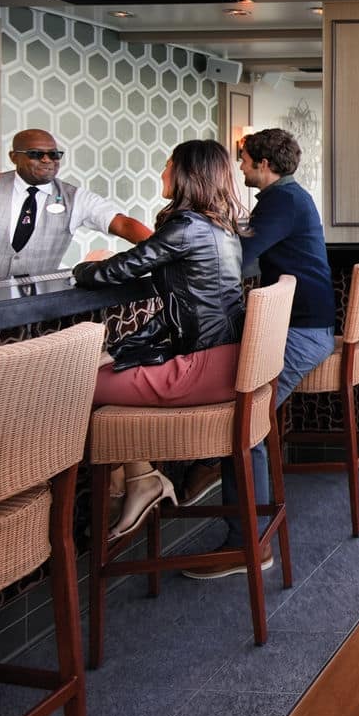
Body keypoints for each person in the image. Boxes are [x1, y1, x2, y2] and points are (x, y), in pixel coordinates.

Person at [72, 140, 249, 540]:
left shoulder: (186, 227)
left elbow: (116, 271)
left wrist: (87, 266)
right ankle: (137, 478)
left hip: (202, 368)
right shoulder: (222, 227)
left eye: (168, 166)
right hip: (231, 361)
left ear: (186, 173)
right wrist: (120, 352)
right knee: (107, 368)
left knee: (79, 385)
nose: (162, 173)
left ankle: (138, 479)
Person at [185, 127, 337, 579]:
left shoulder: (280, 202)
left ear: (263, 164)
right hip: (306, 328)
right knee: (244, 417)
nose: (240, 166)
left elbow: (240, 254)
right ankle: (217, 473)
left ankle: (246, 542)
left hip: (303, 334)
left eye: (244, 159)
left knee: (243, 422)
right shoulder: (287, 199)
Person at [0, 128, 150, 284]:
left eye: (54, 154)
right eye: (36, 154)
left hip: (36, 305)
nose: (48, 160)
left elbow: (122, 224)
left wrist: (165, 248)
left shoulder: (75, 197)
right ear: (14, 157)